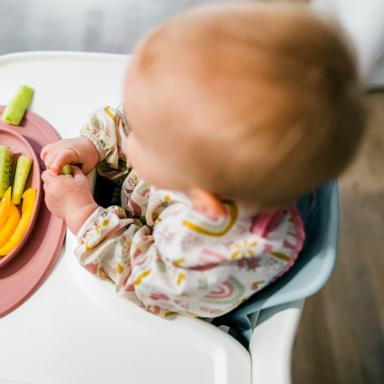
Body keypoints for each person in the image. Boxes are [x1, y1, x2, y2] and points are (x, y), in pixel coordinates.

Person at [40, 3, 365, 318]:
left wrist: (82, 215)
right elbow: (139, 122)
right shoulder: (199, 160)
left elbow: (143, 278)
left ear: (199, 199)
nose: (130, 128)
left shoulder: (209, 250)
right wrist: (95, 144)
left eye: (140, 133)